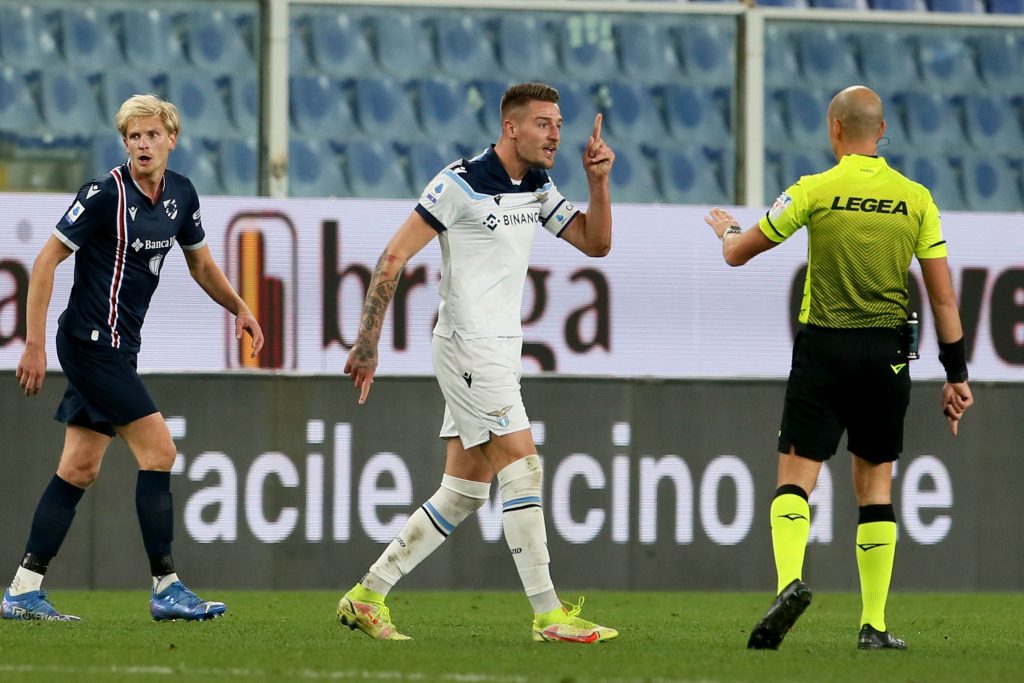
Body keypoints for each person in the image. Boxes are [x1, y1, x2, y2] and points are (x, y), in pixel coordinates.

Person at [338, 82, 617, 642]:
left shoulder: (537, 184)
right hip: (468, 344)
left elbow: (595, 243)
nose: (555, 134)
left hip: (499, 347)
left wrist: (598, 183)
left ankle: (366, 596)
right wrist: (367, 340)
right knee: (524, 466)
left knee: (465, 491)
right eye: (544, 123)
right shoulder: (459, 183)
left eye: (559, 124)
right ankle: (548, 614)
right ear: (511, 128)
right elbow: (394, 254)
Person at [703, 85, 974, 651]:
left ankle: (788, 585)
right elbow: (944, 299)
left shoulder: (814, 190)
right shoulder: (916, 198)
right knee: (875, 487)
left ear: (833, 130)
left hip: (824, 349)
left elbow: (738, 253)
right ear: (881, 134)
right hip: (887, 357)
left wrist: (725, 229)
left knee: (795, 479)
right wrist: (957, 374)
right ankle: (872, 626)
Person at [2, 94, 264, 622]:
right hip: (88, 344)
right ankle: (166, 585)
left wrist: (239, 307)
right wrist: (32, 343)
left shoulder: (182, 196)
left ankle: (22, 591)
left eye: (151, 135)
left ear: (171, 138)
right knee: (160, 451)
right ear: (125, 144)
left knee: (78, 466)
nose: (142, 144)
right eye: (133, 137)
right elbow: (46, 260)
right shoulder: (103, 194)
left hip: (122, 347)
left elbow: (202, 265)